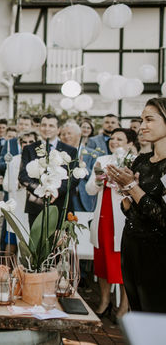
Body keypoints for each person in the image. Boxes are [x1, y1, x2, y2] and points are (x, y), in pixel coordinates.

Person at [109, 98, 166, 313]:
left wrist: (132, 186)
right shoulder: (140, 161)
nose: (142, 127)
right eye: (142, 120)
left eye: (149, 120)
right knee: (139, 311)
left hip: (159, 255)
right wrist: (125, 195)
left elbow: (162, 218)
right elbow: (132, 212)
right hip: (132, 246)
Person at [86, 128, 137, 320]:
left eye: (120, 139)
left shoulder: (134, 160)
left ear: (130, 143)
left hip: (122, 217)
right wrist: (99, 179)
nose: (114, 141)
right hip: (103, 216)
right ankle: (105, 301)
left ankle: (124, 307)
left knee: (121, 264)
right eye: (112, 138)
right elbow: (90, 190)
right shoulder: (103, 160)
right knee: (102, 263)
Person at [18, 113, 78, 227]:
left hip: (61, 204)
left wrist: (55, 192)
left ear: (58, 129)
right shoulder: (29, 149)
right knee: (38, 244)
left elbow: (73, 178)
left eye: (51, 126)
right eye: (44, 125)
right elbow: (23, 176)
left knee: (60, 243)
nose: (47, 128)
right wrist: (42, 191)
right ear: (39, 127)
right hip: (36, 203)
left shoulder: (70, 151)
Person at [2, 131, 38, 254]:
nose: (27, 145)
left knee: (30, 240)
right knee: (12, 240)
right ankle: (9, 270)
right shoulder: (14, 160)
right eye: (24, 142)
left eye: (31, 142)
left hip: (34, 206)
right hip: (16, 205)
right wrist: (17, 184)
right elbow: (5, 184)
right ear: (20, 144)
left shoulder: (41, 161)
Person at [60, 121, 98, 213]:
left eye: (69, 133)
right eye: (63, 134)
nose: (66, 136)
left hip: (83, 201)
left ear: (79, 135)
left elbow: (96, 178)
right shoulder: (58, 154)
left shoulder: (92, 154)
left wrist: (81, 166)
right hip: (61, 200)